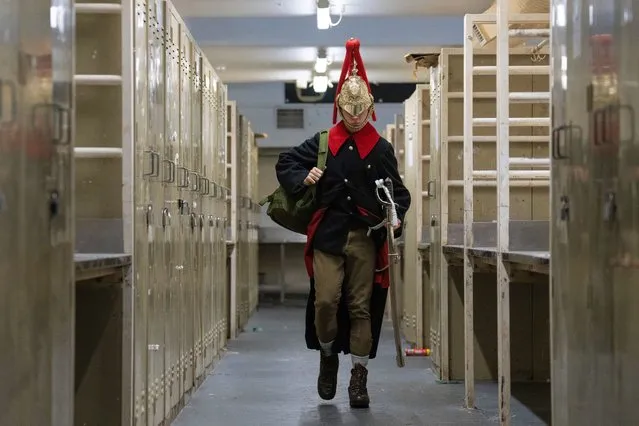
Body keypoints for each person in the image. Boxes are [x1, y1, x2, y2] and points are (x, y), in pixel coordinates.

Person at [275, 38, 411, 408]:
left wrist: (396, 217)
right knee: (325, 301)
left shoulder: (380, 149)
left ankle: (359, 376)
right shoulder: (323, 142)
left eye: (360, 112)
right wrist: (303, 178)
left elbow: (400, 192)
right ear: (339, 108)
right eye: (348, 112)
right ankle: (327, 354)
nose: (354, 118)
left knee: (361, 307)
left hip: (366, 238)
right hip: (328, 236)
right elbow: (286, 162)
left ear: (369, 109)